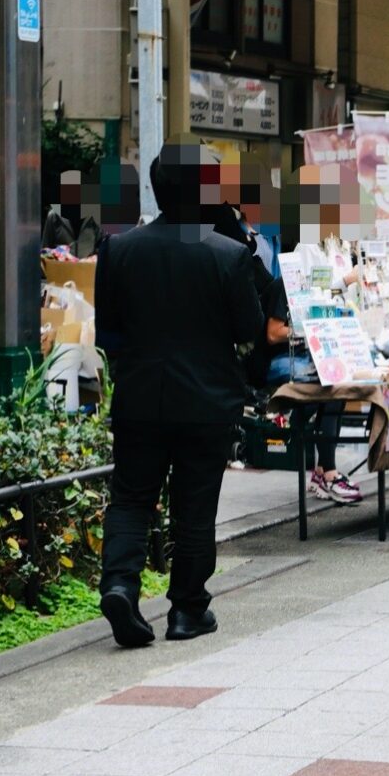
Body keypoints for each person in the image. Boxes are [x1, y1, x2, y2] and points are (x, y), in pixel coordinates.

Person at [94, 141, 263, 647]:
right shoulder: (229, 255)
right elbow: (249, 327)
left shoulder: (119, 249)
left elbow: (109, 334)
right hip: (207, 402)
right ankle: (188, 610)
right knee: (195, 506)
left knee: (130, 498)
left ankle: (120, 584)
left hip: (140, 397)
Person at [261, 277, 363, 504]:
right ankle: (329, 474)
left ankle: (321, 471)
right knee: (330, 388)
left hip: (307, 355)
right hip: (282, 358)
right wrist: (309, 329)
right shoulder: (284, 285)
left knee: (338, 384)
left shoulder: (318, 288)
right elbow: (273, 333)